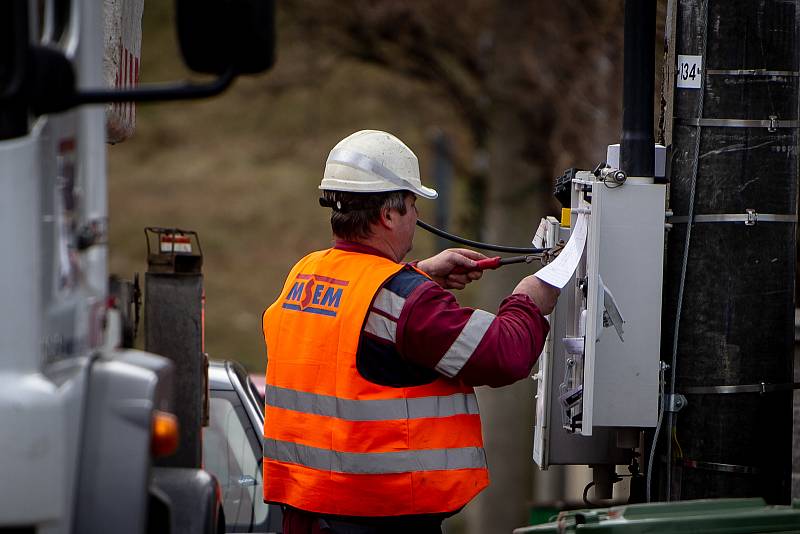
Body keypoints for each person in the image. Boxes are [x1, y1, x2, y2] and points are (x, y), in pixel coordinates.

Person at [262, 130, 560, 534]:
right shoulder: (407, 303)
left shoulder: (306, 274)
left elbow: (358, 313)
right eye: (412, 206)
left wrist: (417, 273)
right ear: (388, 215)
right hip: (383, 518)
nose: (417, 217)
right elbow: (504, 354)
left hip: (307, 513)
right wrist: (529, 298)